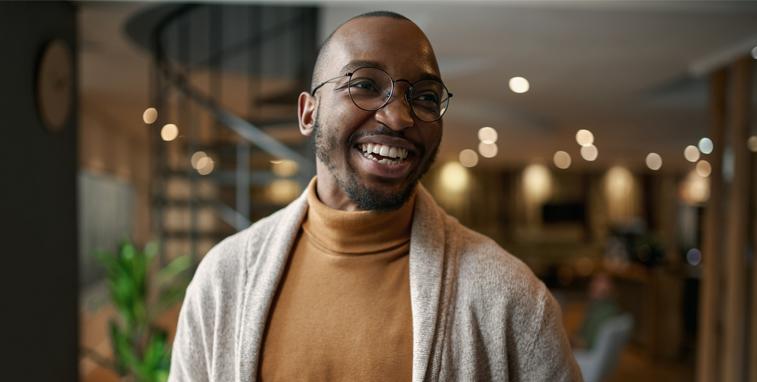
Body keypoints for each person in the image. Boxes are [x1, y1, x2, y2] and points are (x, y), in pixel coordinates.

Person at [169, 11, 581, 382]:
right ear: (308, 113)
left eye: (424, 96)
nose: (399, 117)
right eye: (365, 84)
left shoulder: (510, 297)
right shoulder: (224, 278)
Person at [572, 272, 621, 350]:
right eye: (594, 281)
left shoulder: (602, 313)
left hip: (586, 353)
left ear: (610, 287)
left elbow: (587, 343)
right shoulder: (601, 307)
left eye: (599, 282)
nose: (592, 285)